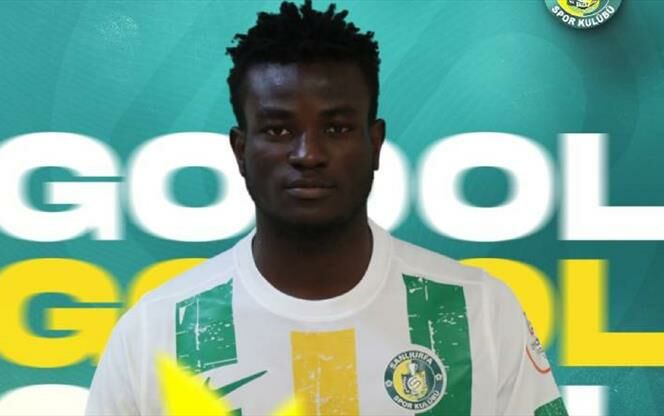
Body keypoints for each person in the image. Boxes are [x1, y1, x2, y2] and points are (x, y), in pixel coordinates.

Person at [86, 1, 567, 415]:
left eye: (336, 129)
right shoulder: (153, 332)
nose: (308, 154)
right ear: (240, 149)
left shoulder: (481, 311)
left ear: (375, 143)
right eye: (278, 130)